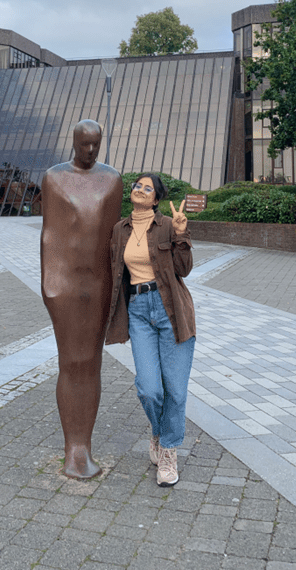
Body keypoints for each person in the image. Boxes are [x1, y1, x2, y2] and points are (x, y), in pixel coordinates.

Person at [41, 120, 123, 479]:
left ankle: (83, 446)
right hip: (66, 286)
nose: (90, 151)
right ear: (74, 142)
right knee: (70, 362)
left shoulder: (112, 179)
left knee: (91, 363)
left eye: (95, 145)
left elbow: (118, 235)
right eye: (84, 144)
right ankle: (72, 447)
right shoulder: (55, 178)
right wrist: (51, 287)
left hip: (101, 285)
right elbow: (50, 236)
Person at [106, 173, 195, 486]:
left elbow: (183, 269)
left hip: (172, 309)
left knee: (175, 388)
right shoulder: (120, 229)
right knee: (148, 388)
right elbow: (112, 272)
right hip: (139, 311)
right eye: (137, 186)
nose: (140, 190)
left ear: (156, 199)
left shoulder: (168, 226)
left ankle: (168, 451)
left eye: (148, 188)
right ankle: (159, 431)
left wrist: (182, 234)